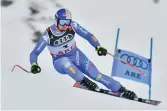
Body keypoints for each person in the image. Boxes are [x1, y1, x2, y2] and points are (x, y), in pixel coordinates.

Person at [30, 8, 137, 100]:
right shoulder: (48, 34)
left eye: (67, 22)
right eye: (62, 22)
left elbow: (89, 35)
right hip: (59, 61)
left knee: (97, 75)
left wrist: (98, 46)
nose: (65, 26)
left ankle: (121, 89)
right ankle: (83, 81)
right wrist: (34, 64)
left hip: (76, 55)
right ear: (56, 21)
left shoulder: (73, 25)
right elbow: (35, 52)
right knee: (66, 63)